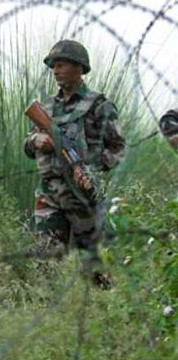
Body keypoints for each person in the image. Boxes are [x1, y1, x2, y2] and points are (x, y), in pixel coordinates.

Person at [24, 39, 125, 285]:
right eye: (53, 66)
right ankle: (49, 314)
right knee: (46, 263)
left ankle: (105, 312)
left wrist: (93, 168)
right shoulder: (46, 107)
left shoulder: (99, 105)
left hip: (83, 194)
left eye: (61, 65)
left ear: (79, 68)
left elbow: (118, 148)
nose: (56, 70)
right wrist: (37, 140)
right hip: (49, 193)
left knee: (95, 266)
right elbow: (27, 146)